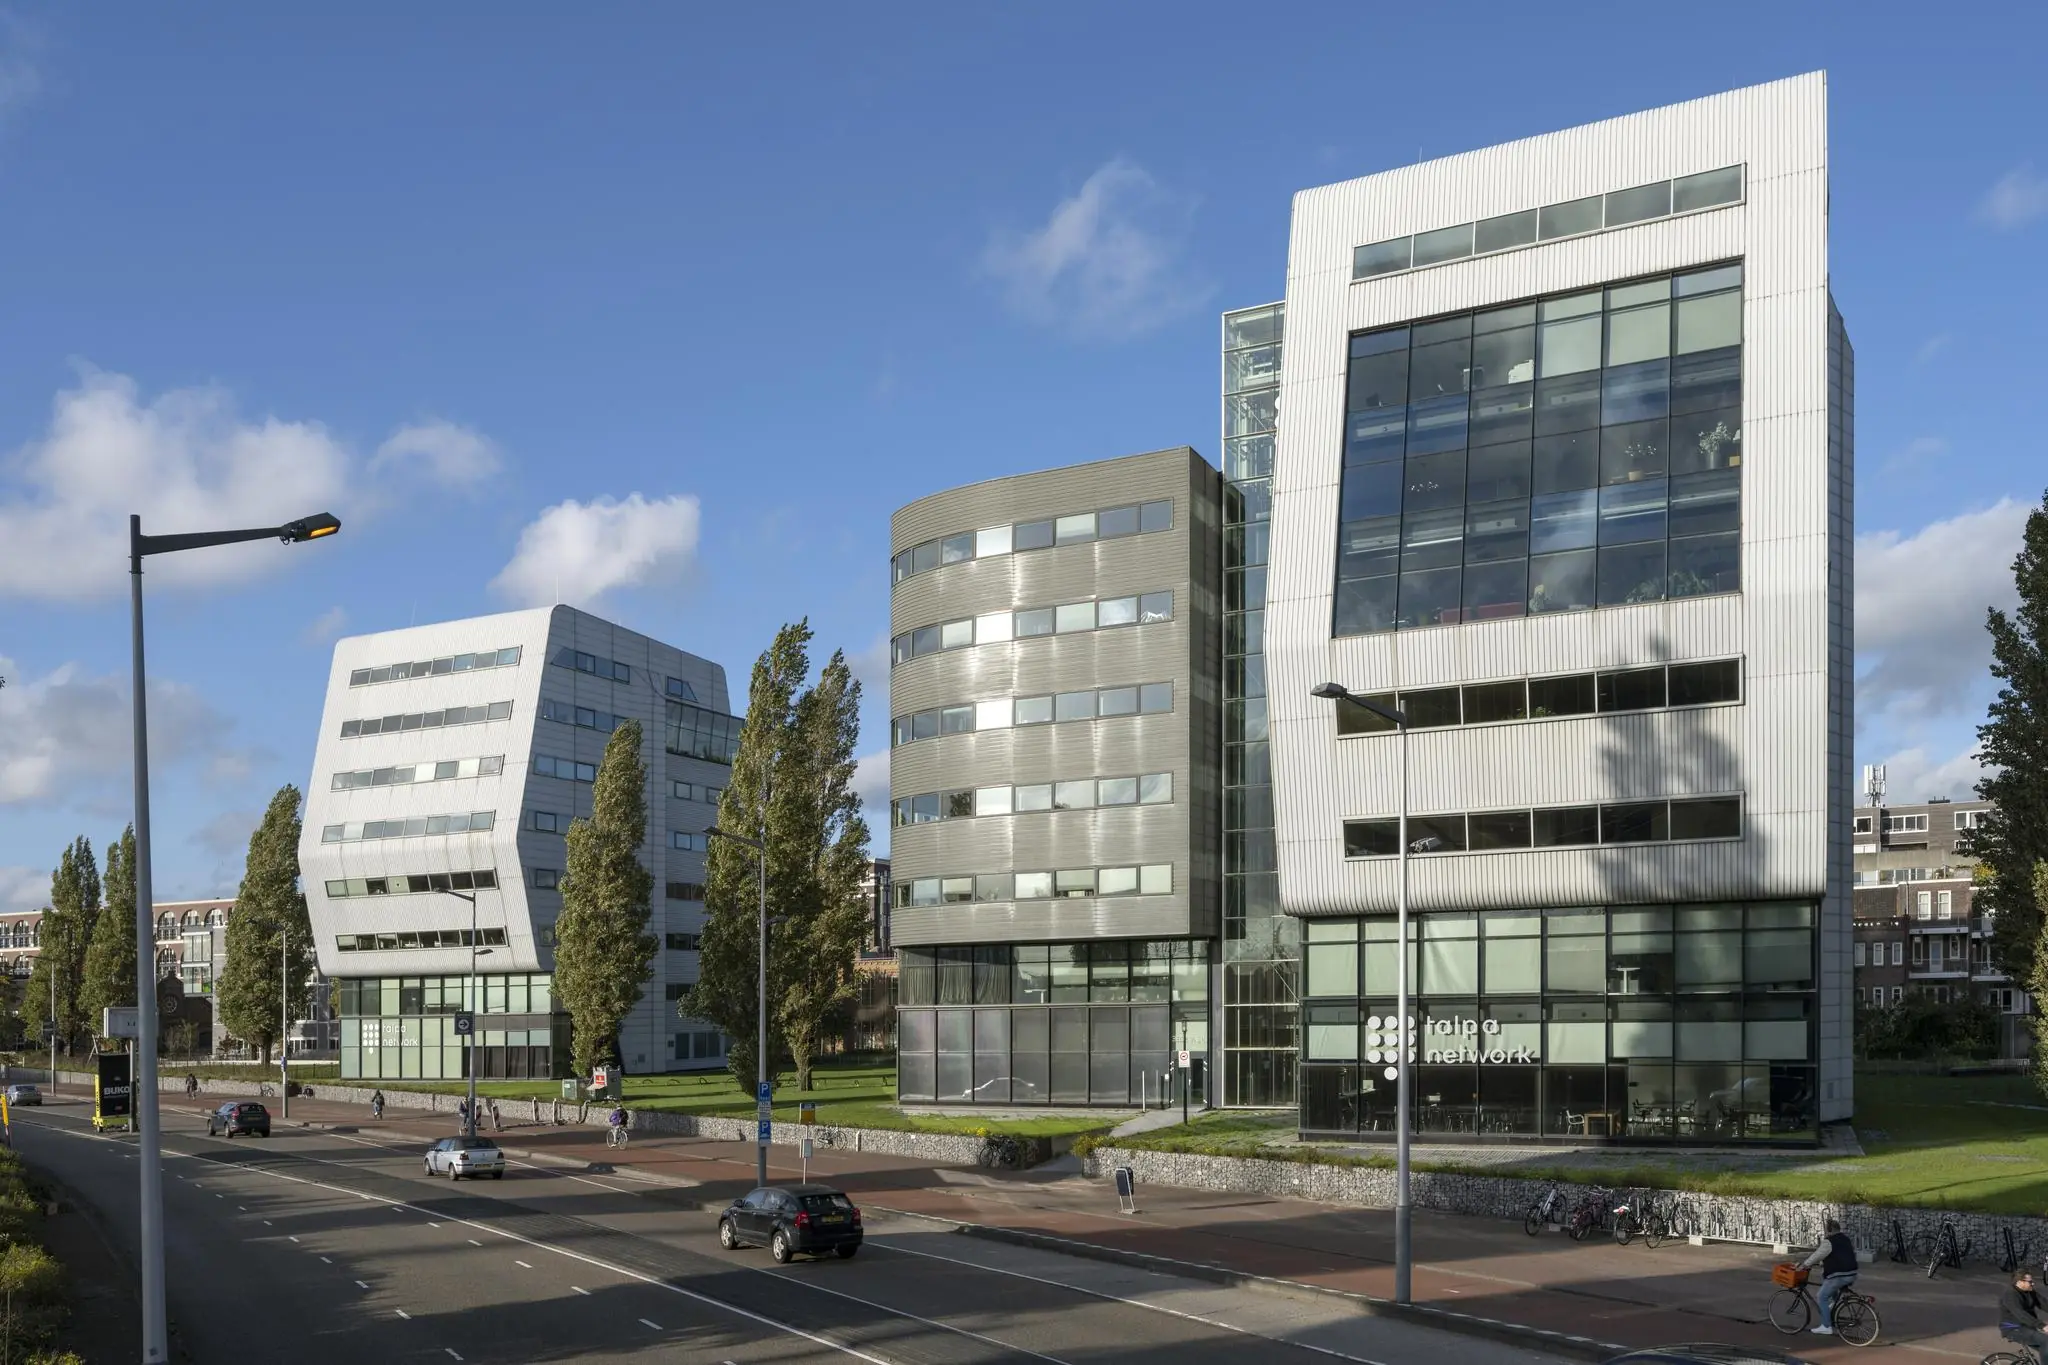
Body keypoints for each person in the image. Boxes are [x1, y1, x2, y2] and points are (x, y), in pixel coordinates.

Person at [1797, 1218, 1858, 1335]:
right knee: (1829, 1287)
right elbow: (1840, 1254)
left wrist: (1804, 1265)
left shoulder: (1829, 1241)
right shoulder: (1845, 1239)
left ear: (1829, 1230)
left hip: (1839, 1275)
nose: (1825, 1232)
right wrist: (1823, 1263)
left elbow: (1817, 1255)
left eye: (1825, 1230)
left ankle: (1826, 1326)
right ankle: (1832, 1313)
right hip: (1852, 1273)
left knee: (1821, 1297)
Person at [2000, 1268, 2048, 1358]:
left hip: (2027, 1327)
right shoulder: (2010, 1295)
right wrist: (2042, 1326)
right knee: (2046, 1340)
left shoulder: (2030, 1292)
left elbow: (2044, 1304)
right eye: (2030, 1282)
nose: (2033, 1283)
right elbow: (2021, 1315)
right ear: (2019, 1282)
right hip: (2014, 1329)